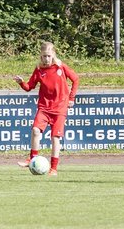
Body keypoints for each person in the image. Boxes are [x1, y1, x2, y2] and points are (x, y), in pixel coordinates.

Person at [13, 41, 79, 176]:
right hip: (44, 107)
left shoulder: (60, 67)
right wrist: (21, 83)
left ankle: (53, 168)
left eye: (49, 56)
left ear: (53, 55)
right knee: (36, 131)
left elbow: (76, 79)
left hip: (59, 108)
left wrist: (71, 98)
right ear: (41, 56)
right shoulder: (39, 70)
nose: (46, 59)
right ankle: (31, 159)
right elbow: (29, 87)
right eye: (44, 56)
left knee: (55, 138)